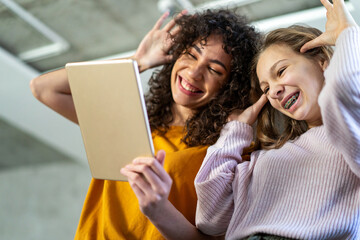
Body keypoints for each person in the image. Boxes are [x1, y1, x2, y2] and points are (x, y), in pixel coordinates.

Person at [30, 9, 260, 239]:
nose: (194, 72)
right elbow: (44, 89)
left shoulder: (228, 151)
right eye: (191, 54)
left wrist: (159, 211)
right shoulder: (132, 120)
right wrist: (137, 62)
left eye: (214, 69)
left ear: (230, 86)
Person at [193, 0, 360, 239]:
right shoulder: (265, 158)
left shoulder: (352, 131)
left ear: (322, 62)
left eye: (281, 71)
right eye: (265, 88)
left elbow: (343, 93)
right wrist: (235, 131)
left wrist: (347, 35)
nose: (273, 92)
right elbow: (210, 219)